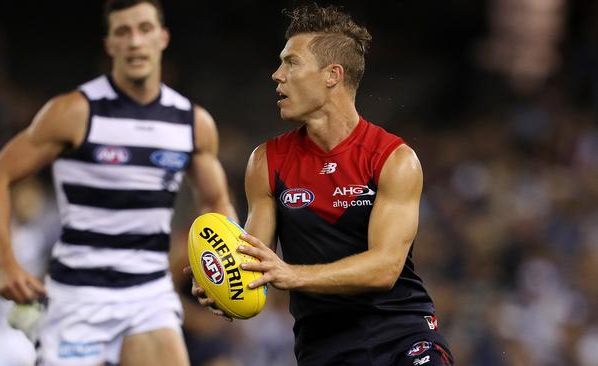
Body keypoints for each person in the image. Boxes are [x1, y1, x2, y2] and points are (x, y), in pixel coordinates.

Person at [191, 4, 454, 365]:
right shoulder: (266, 161)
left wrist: (291, 273)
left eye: (291, 63)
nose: (276, 74)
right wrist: (221, 281)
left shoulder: (394, 158)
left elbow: (385, 268)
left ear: (332, 75)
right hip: (324, 350)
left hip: (402, 336)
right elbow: (255, 266)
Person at [0, 0, 236, 365]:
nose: (134, 41)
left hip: (149, 295)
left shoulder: (193, 124)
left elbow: (216, 202)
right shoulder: (73, 112)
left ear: (162, 38)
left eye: (145, 29)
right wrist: (5, 264)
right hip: (79, 298)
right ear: (109, 45)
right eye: (123, 31)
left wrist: (220, 261)